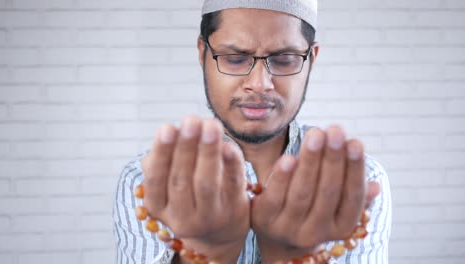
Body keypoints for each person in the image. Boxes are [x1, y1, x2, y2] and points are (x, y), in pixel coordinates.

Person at [113, 0, 392, 263]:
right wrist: (206, 253)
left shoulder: (358, 185)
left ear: (311, 59)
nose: (259, 84)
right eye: (235, 58)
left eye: (284, 59)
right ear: (203, 53)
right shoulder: (147, 182)